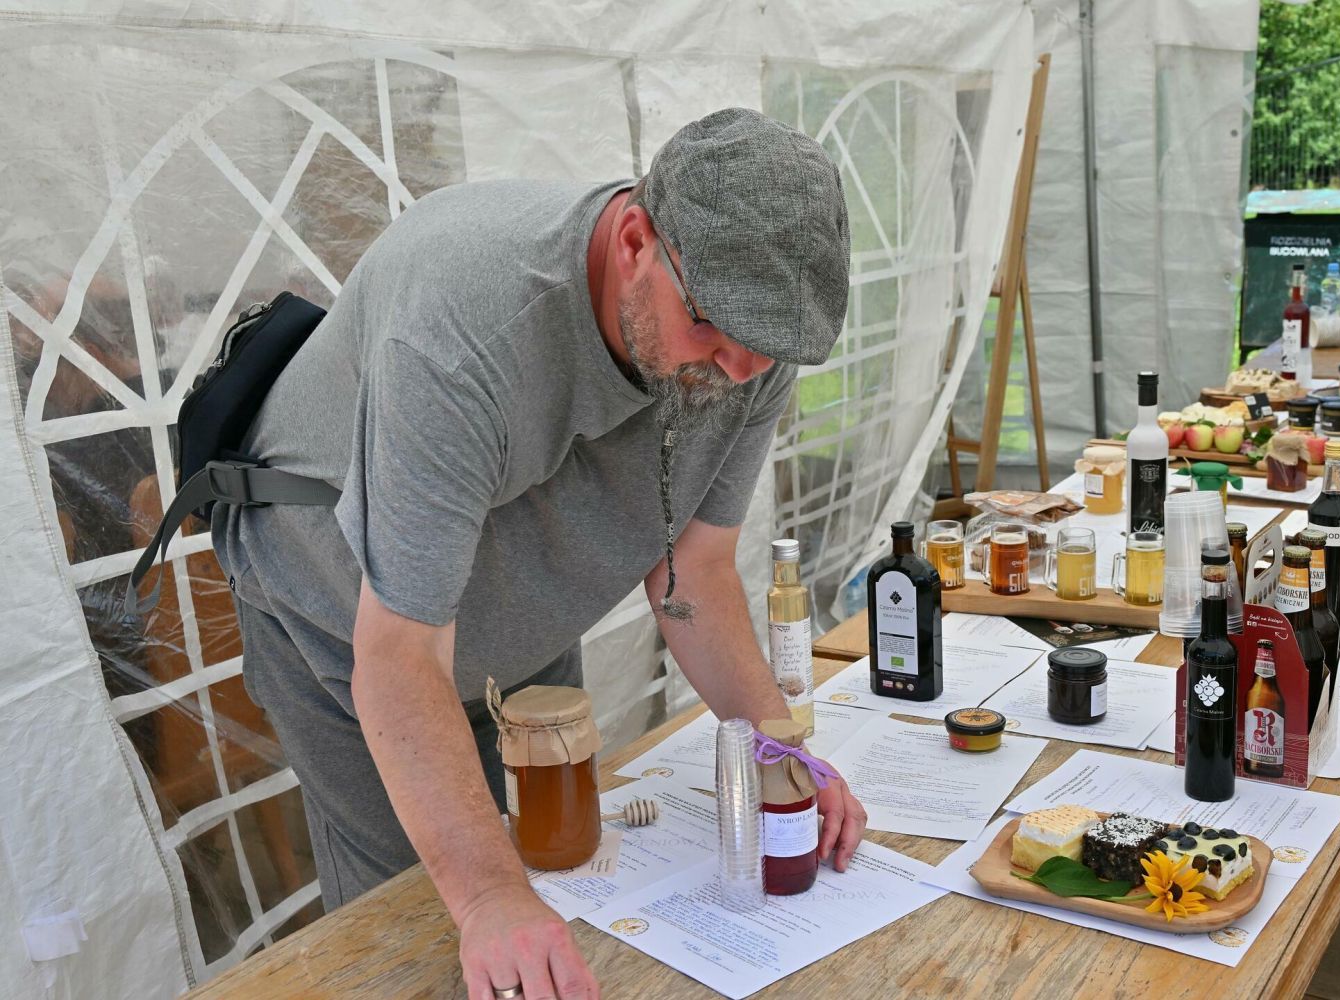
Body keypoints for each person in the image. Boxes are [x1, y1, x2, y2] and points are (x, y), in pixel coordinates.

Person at [211, 107, 866, 1000]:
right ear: (635, 240)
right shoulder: (463, 323)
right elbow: (401, 654)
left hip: (518, 617)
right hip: (351, 633)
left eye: (770, 347)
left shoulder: (746, 339)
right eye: (715, 328)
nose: (741, 369)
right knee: (420, 928)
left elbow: (695, 572)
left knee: (561, 879)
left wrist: (782, 755)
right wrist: (486, 899)